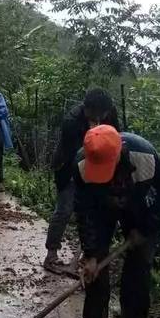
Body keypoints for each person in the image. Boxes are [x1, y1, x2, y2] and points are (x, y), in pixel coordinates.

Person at [74, 124, 160, 318]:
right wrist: (90, 253)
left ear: (119, 153)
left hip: (139, 209)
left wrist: (146, 228)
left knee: (140, 263)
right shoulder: (81, 164)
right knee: (96, 266)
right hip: (101, 210)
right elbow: (83, 209)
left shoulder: (145, 156)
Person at [43, 89, 120, 273]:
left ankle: (85, 256)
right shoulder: (71, 122)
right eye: (99, 114)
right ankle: (51, 255)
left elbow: (116, 138)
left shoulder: (109, 114)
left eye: (105, 114)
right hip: (69, 167)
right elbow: (77, 157)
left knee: (95, 211)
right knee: (65, 209)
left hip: (99, 168)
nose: (103, 117)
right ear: (88, 109)